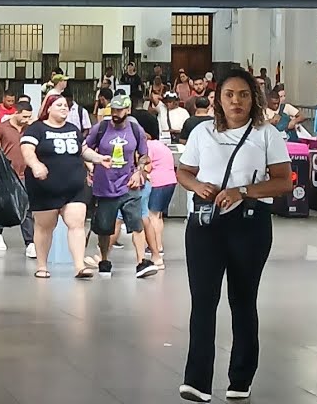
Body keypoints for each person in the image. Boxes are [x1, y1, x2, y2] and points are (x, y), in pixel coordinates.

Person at [175, 69, 292, 403]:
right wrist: (198, 186)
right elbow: (184, 171)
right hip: (205, 224)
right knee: (203, 301)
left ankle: (241, 378)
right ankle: (196, 381)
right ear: (218, 99)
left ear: (254, 99)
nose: (236, 101)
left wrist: (243, 191)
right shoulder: (202, 132)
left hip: (249, 224)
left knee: (242, 301)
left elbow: (283, 181)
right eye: (229, 95)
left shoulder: (267, 134)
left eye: (243, 95)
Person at [21, 94, 97, 279]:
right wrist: (36, 165)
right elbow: (27, 150)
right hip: (45, 188)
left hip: (74, 187)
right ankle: (42, 266)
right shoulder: (36, 129)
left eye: (66, 105)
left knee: (77, 223)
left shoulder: (73, 129)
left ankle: (79, 266)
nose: (64, 108)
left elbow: (83, 150)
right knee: (44, 227)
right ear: (48, 108)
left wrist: (98, 159)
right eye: (59, 105)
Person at [85, 93, 156, 279]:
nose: (115, 114)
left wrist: (139, 171)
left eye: (120, 110)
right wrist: (91, 165)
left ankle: (141, 261)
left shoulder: (135, 129)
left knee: (136, 224)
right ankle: (104, 260)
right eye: (113, 110)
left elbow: (144, 155)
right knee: (104, 227)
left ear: (128, 110)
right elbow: (84, 148)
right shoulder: (100, 128)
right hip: (105, 186)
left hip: (129, 185)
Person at [0, 100, 36, 257]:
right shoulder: (1, 128)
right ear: (16, 113)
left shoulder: (30, 129)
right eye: (24, 116)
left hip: (26, 173)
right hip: (7, 173)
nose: (26, 120)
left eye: (29, 117)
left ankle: (30, 242)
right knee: (3, 204)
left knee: (26, 207)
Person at [134, 110, 175, 270]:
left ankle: (155, 247)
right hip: (170, 181)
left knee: (151, 216)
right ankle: (159, 245)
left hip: (157, 182)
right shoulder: (161, 145)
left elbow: (147, 165)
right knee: (158, 215)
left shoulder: (148, 146)